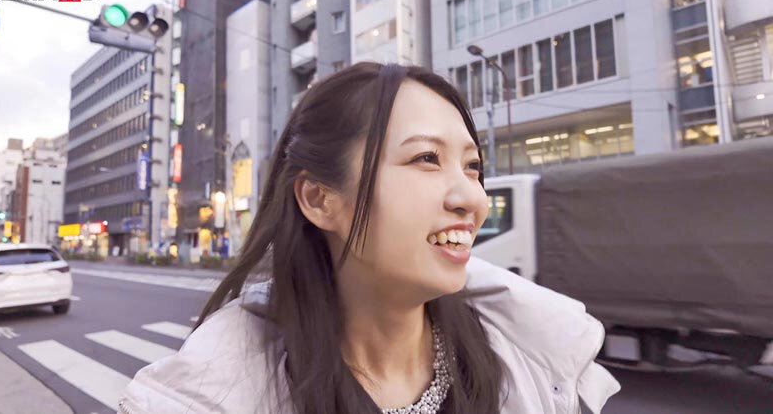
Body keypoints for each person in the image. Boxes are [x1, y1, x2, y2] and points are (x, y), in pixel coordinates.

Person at [118, 62, 620, 414]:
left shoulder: (529, 363)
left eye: (472, 166)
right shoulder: (218, 392)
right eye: (426, 158)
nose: (472, 198)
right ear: (319, 199)